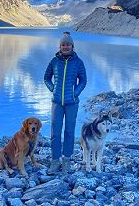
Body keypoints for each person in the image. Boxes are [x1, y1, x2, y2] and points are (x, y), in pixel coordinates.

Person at [44, 32, 87, 173]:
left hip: (72, 103)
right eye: (63, 44)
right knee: (55, 133)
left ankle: (67, 160)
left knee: (69, 132)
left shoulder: (78, 62)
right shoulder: (54, 61)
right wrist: (53, 89)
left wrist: (76, 93)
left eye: (68, 44)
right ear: (60, 46)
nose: (65, 47)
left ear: (72, 46)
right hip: (57, 103)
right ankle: (55, 161)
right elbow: (46, 78)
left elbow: (83, 80)